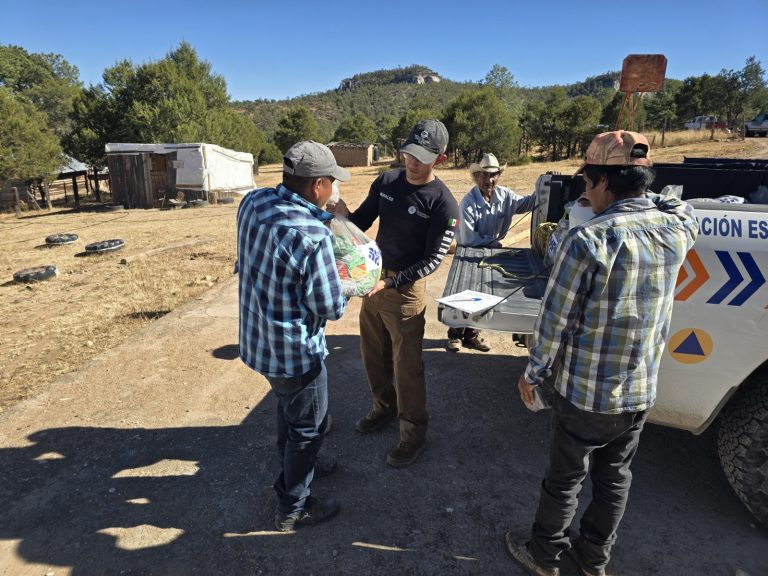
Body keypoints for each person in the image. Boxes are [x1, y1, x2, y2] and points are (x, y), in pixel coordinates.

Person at [505, 131, 698, 576]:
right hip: (641, 388)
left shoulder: (589, 239)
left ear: (604, 182)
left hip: (587, 392)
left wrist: (533, 373)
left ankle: (545, 555)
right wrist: (650, 195)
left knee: (565, 478)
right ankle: (593, 560)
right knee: (614, 480)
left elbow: (554, 322)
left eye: (588, 182)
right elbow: (680, 205)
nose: (585, 193)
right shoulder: (677, 229)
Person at [236, 140, 351, 532]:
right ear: (318, 185)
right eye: (332, 182)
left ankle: (302, 462)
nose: (335, 190)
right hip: (296, 352)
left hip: (258, 343)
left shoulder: (252, 203)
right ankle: (293, 507)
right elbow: (330, 307)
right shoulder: (313, 236)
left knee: (289, 408)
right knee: (308, 426)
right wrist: (352, 284)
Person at [331, 119, 460, 468]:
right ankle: (383, 408)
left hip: (405, 293)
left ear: (441, 159)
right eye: (408, 152)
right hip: (373, 283)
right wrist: (343, 219)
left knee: (407, 368)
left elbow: (433, 259)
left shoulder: (444, 204)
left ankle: (413, 433)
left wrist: (392, 282)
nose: (412, 161)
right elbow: (362, 221)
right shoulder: (387, 181)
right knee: (372, 355)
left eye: (421, 157)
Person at [447, 152, 536, 353]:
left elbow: (528, 203)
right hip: (469, 250)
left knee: (483, 293)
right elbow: (469, 238)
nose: (490, 179)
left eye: (494, 174)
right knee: (466, 291)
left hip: (491, 249)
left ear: (499, 175)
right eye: (485, 175)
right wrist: (495, 243)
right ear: (477, 177)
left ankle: (472, 335)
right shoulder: (469, 202)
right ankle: (455, 334)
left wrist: (544, 187)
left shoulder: (505, 195)